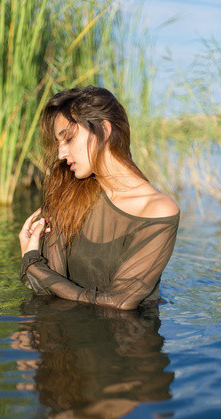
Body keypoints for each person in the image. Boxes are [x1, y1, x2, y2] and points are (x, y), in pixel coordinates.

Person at [19, 86, 180, 310]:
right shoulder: (70, 193)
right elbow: (50, 287)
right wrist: (35, 256)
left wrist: (32, 263)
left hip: (128, 337)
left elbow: (120, 302)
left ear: (104, 130)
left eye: (67, 139)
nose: (60, 154)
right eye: (58, 143)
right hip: (61, 337)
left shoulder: (157, 209)